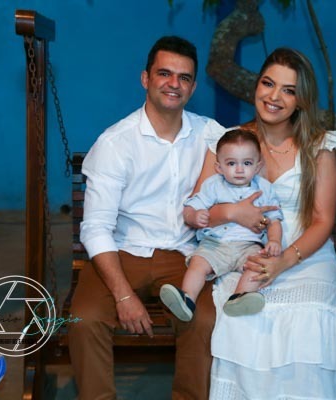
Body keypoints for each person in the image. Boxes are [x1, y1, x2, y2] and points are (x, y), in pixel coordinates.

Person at [195, 48, 336, 399]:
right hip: (244, 252)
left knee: (305, 319)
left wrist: (284, 261)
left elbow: (322, 220)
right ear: (256, 86)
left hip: (305, 256)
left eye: (288, 90)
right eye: (268, 84)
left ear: (301, 100)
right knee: (246, 317)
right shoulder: (229, 142)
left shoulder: (318, 147)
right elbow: (200, 211)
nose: (274, 97)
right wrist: (232, 213)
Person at [67, 36, 225, 400]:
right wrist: (123, 296)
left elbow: (254, 141)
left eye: (184, 77)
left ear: (193, 87)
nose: (174, 84)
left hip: (185, 256)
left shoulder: (209, 133)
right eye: (164, 73)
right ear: (145, 79)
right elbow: (96, 228)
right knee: (85, 321)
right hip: (123, 252)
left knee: (204, 319)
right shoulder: (115, 143)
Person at [160, 129, 284, 321]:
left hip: (249, 246)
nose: (239, 169)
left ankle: (240, 297)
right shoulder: (213, 186)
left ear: (257, 166)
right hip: (215, 244)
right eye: (231, 163)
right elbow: (191, 207)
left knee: (259, 266)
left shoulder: (264, 188)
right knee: (198, 263)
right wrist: (195, 216)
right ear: (219, 167)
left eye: (247, 163)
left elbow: (274, 219)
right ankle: (187, 299)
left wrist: (274, 240)